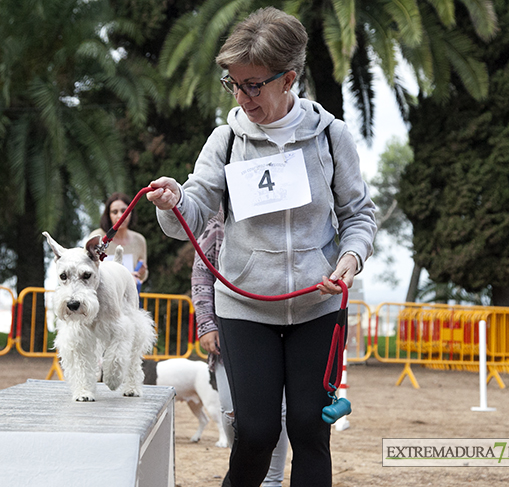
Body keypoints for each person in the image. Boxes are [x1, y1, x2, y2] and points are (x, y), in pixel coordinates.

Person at [147, 7, 377, 487]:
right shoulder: (225, 140)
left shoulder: (331, 137)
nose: (243, 96)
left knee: (310, 432)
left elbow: (359, 214)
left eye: (253, 84)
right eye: (234, 84)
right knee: (254, 431)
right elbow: (186, 219)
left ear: (288, 78)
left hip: (319, 304)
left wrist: (350, 260)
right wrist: (173, 202)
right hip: (245, 309)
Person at [192, 208, 289, 487]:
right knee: (231, 410)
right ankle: (245, 471)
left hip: (276, 328)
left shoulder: (282, 219)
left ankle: (272, 481)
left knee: (277, 412)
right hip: (229, 330)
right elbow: (201, 274)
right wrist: (207, 324)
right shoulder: (216, 225)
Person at [88, 192, 149, 287]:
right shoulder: (97, 237)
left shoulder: (139, 240)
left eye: (124, 210)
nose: (120, 216)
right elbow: (89, 270)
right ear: (108, 215)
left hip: (128, 297)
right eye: (115, 212)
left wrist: (142, 273)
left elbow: (141, 276)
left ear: (131, 212)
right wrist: (127, 277)